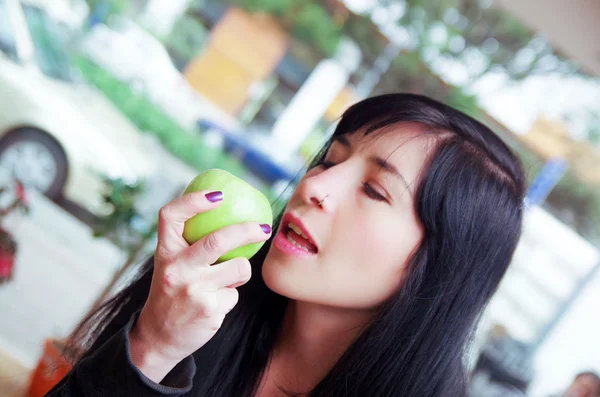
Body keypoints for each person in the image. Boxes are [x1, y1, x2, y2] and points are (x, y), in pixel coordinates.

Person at [45, 93, 526, 397]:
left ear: (439, 266)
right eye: (331, 160)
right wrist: (152, 349)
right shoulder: (198, 299)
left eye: (375, 190)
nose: (317, 185)